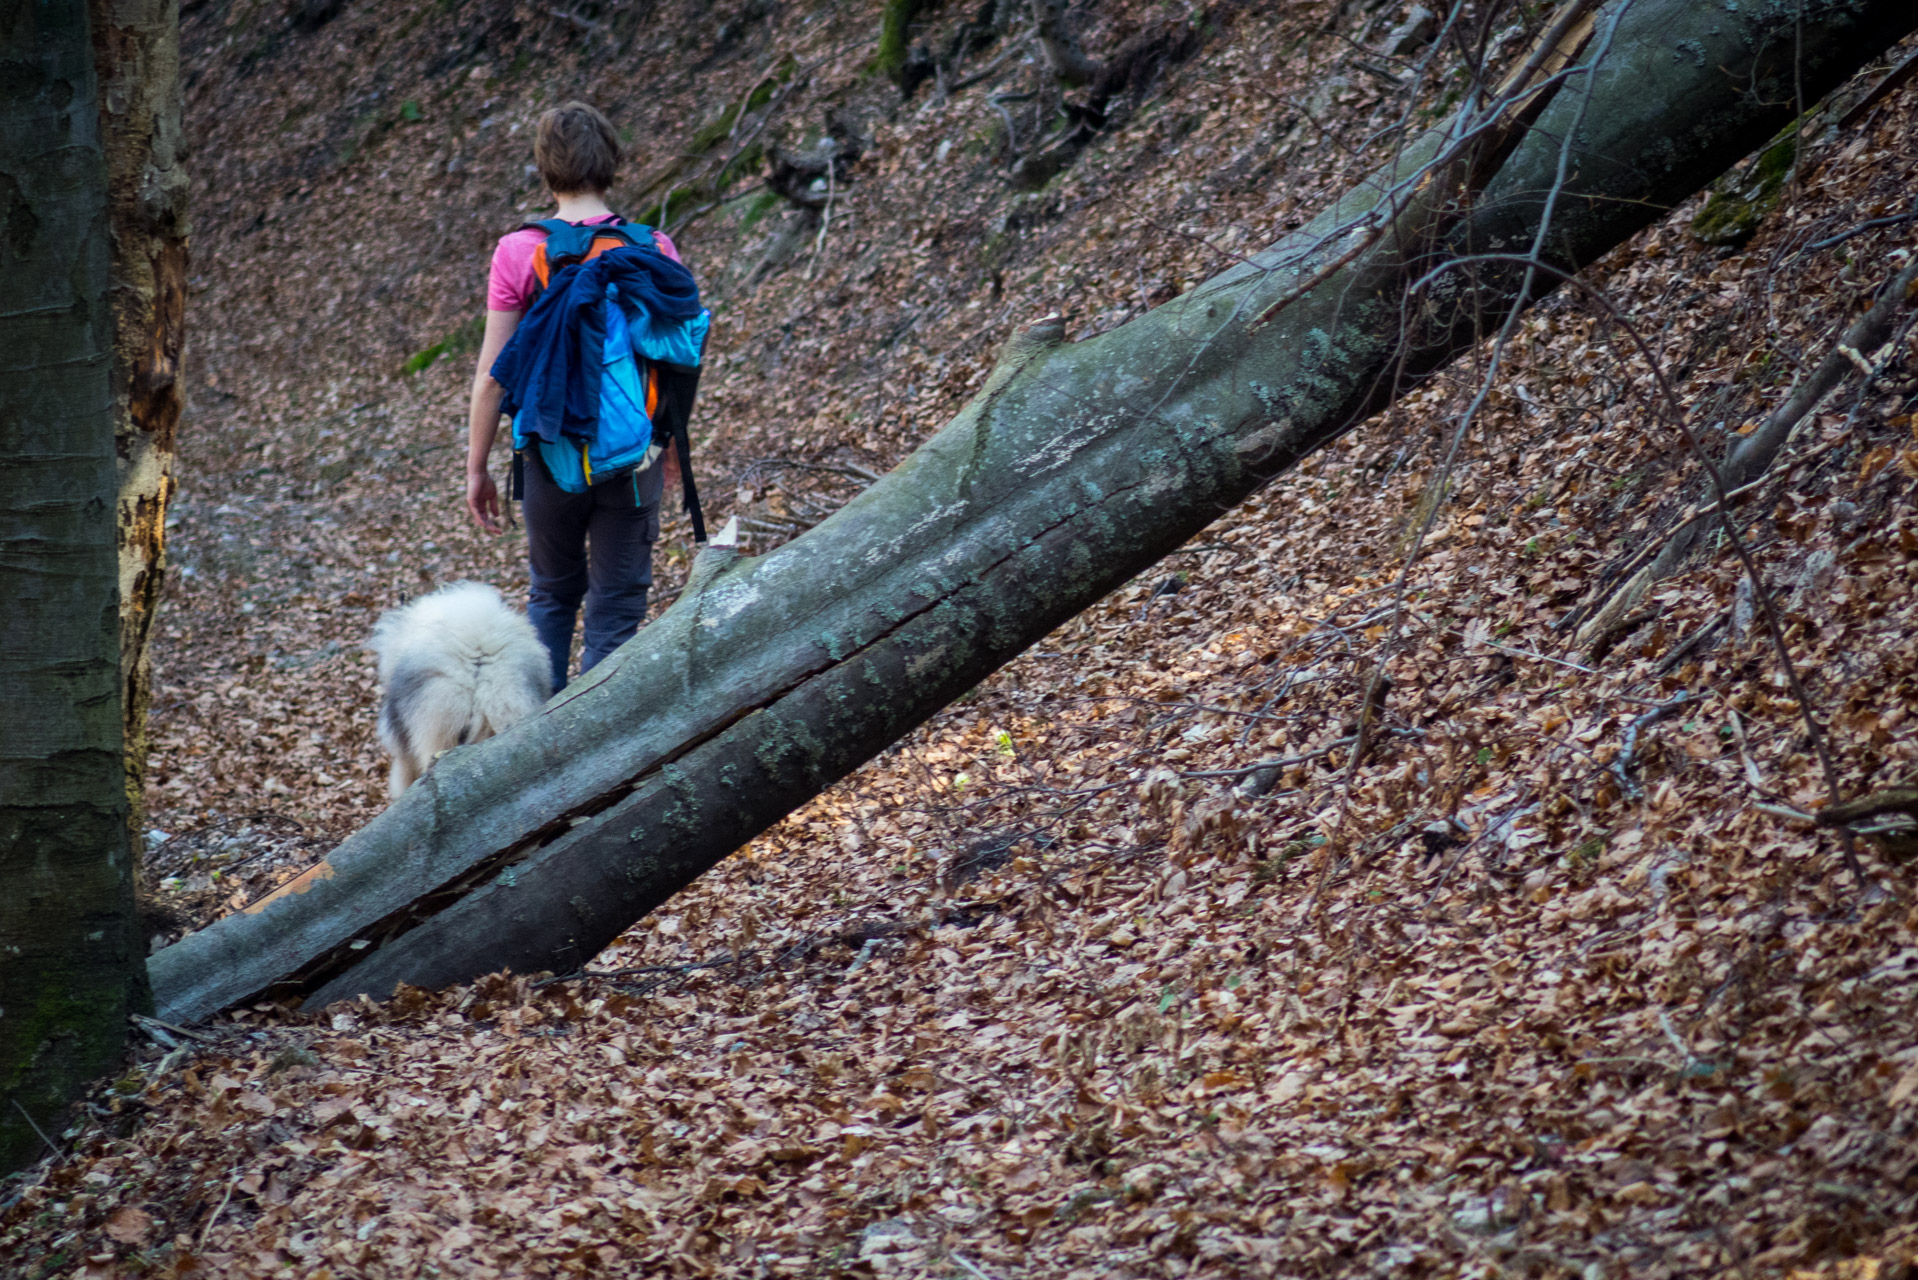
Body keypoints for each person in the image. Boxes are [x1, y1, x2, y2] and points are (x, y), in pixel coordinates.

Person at [465, 101, 686, 691]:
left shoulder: (518, 252)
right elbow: (677, 359)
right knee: (616, 609)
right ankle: (596, 756)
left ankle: (536, 746)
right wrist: (669, 445)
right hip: (633, 455)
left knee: (553, 596)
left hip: (548, 454)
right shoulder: (653, 248)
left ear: (546, 170)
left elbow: (492, 374)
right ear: (610, 162)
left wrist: (477, 467)